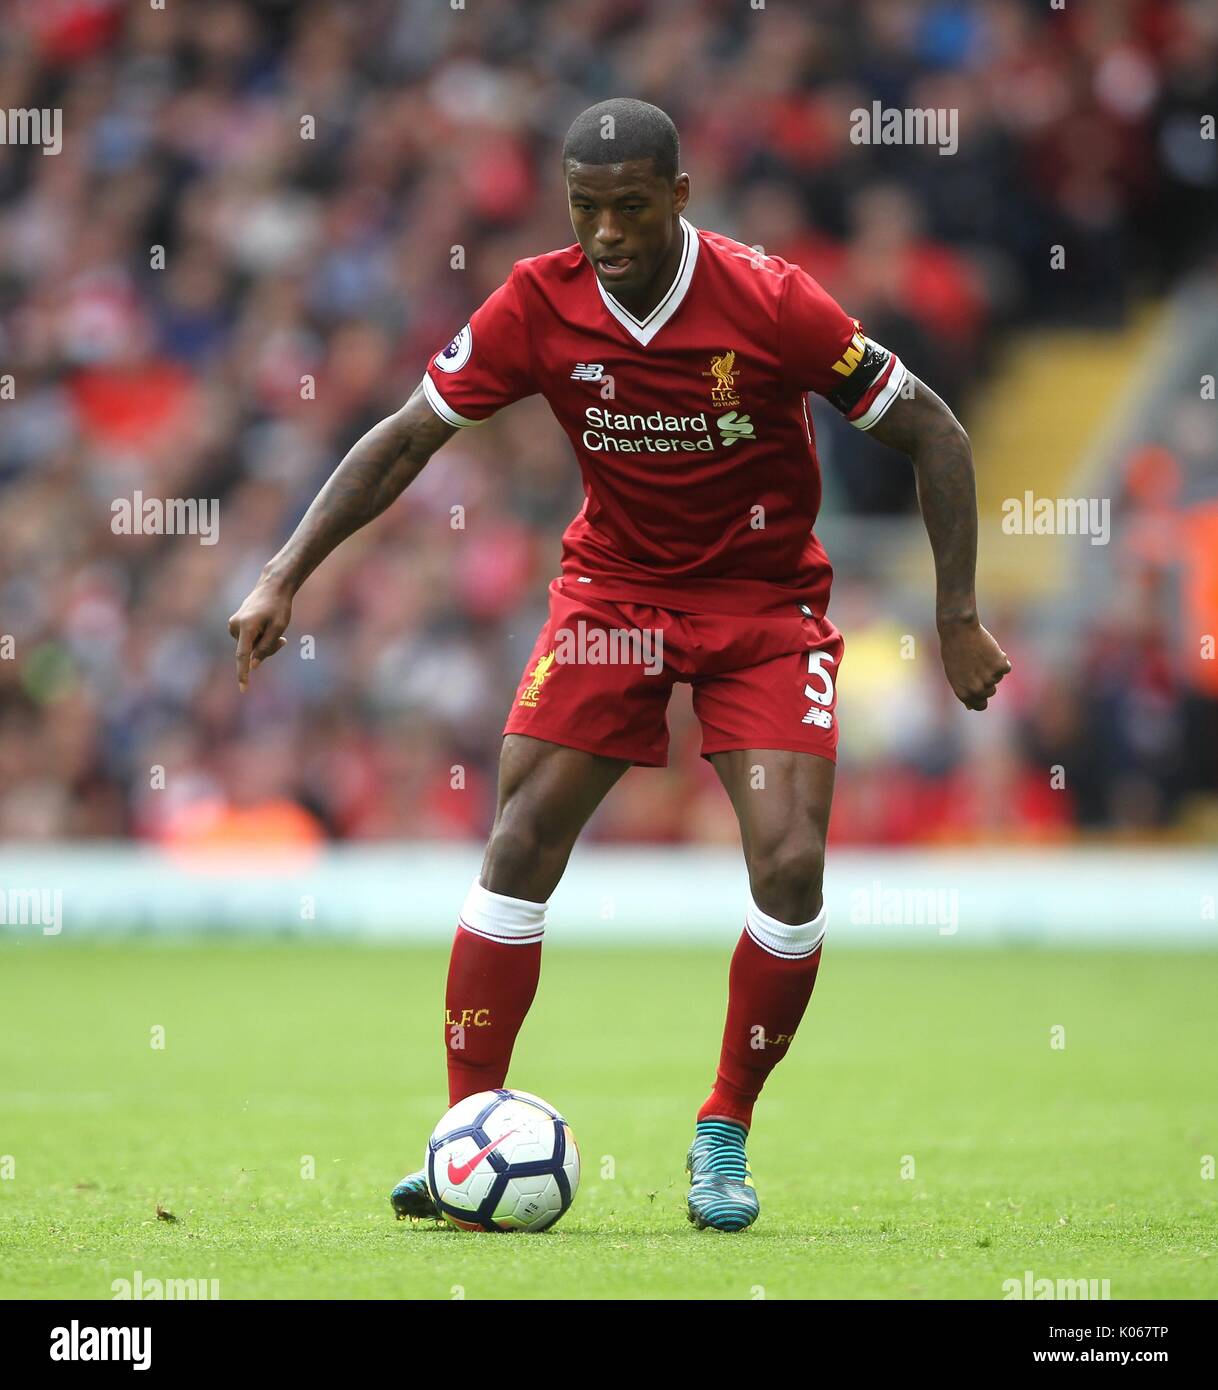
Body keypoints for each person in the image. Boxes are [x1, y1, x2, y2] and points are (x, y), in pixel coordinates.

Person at [228, 98, 1011, 1232]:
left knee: (790, 866)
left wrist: (956, 616)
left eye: (630, 207)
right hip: (616, 599)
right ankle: (466, 1136)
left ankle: (724, 1129)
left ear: (679, 198)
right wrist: (284, 571)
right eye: (585, 208)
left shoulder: (772, 301)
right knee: (517, 844)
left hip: (763, 602)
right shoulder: (535, 304)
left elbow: (934, 427)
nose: (605, 233)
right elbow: (405, 434)